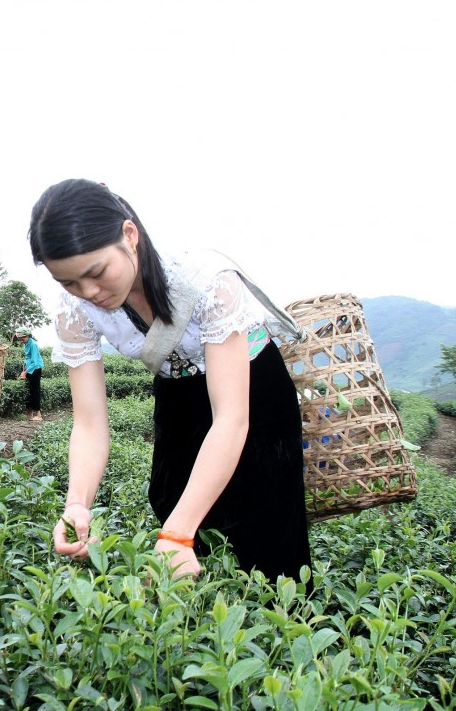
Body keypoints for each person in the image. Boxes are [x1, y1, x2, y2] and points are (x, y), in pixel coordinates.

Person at [29, 179, 312, 585]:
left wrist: (178, 533)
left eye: (96, 273)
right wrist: (77, 503)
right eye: (69, 282)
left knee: (263, 523)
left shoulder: (206, 282)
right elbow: (90, 423)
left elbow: (231, 420)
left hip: (252, 389)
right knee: (171, 499)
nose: (88, 292)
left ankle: (283, 626)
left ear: (129, 235)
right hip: (177, 392)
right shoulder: (75, 311)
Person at [15, 327, 45, 421]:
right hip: (29, 369)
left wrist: (26, 372)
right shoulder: (26, 344)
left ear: (27, 336)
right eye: (20, 339)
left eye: (22, 338)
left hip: (35, 369)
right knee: (28, 391)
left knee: (35, 391)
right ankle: (30, 414)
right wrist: (24, 370)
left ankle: (39, 415)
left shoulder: (33, 345)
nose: (21, 340)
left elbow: (35, 362)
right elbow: (27, 359)